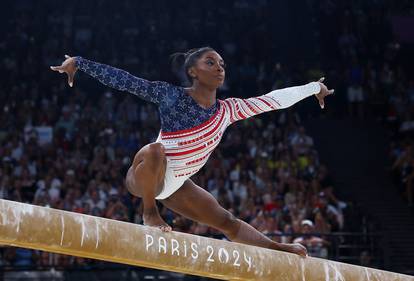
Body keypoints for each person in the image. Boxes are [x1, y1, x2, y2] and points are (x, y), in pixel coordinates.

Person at [51, 47, 334, 257]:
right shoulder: (171, 96)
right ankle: (149, 213)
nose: (220, 67)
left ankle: (277, 249)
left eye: (222, 63)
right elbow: (127, 81)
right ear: (193, 72)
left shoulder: (228, 110)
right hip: (144, 175)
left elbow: (272, 100)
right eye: (210, 62)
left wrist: (313, 88)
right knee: (156, 150)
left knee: (227, 221)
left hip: (175, 186)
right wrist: (80, 63)